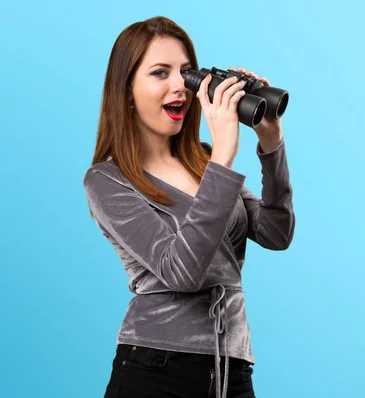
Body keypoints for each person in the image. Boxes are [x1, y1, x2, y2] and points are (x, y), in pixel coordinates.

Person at [82, 16, 295, 398]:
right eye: (160, 73)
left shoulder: (205, 162)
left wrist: (270, 140)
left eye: (185, 72)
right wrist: (223, 162)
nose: (179, 85)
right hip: (155, 369)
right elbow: (180, 272)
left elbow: (276, 234)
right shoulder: (107, 180)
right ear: (127, 91)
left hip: (231, 370)